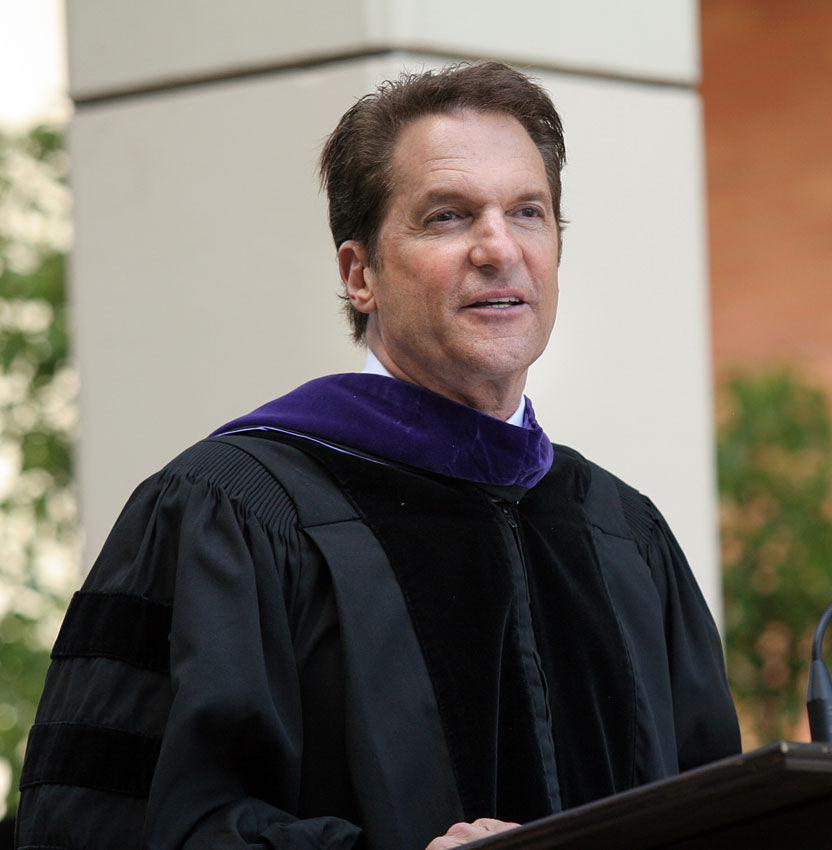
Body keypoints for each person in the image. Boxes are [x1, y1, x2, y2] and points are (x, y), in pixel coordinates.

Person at [16, 62, 740, 849]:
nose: (499, 248)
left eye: (528, 212)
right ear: (360, 274)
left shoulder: (624, 537)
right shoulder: (230, 512)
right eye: (448, 217)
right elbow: (109, 826)